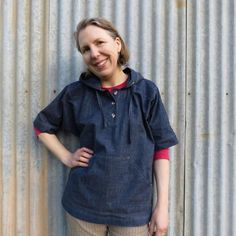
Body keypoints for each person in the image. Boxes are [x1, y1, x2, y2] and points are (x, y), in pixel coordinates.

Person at [33, 17, 178, 236]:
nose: (94, 53)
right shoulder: (76, 94)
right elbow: (41, 126)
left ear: (117, 44)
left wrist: (162, 207)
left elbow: (161, 148)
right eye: (86, 49)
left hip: (134, 212)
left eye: (100, 43)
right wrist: (66, 157)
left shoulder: (146, 92)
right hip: (83, 207)